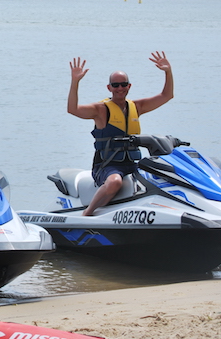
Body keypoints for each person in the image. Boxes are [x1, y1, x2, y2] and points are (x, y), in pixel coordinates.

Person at [68, 51, 173, 216]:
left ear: (129, 86)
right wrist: (75, 82)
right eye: (115, 85)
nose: (120, 89)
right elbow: (72, 109)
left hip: (133, 163)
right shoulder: (100, 110)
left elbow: (167, 95)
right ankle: (87, 213)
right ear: (109, 88)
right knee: (115, 182)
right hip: (107, 166)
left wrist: (168, 71)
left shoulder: (137, 107)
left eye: (123, 84)